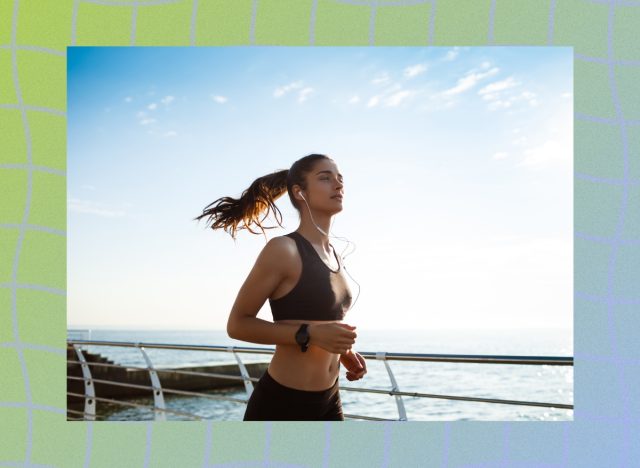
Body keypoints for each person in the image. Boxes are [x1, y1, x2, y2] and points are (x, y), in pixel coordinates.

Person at [195, 153, 367, 421]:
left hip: (330, 399)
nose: (338, 184)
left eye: (340, 178)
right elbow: (237, 324)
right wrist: (310, 334)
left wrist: (343, 351)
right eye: (325, 178)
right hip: (284, 404)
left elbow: (320, 318)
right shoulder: (283, 249)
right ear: (300, 192)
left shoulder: (334, 253)